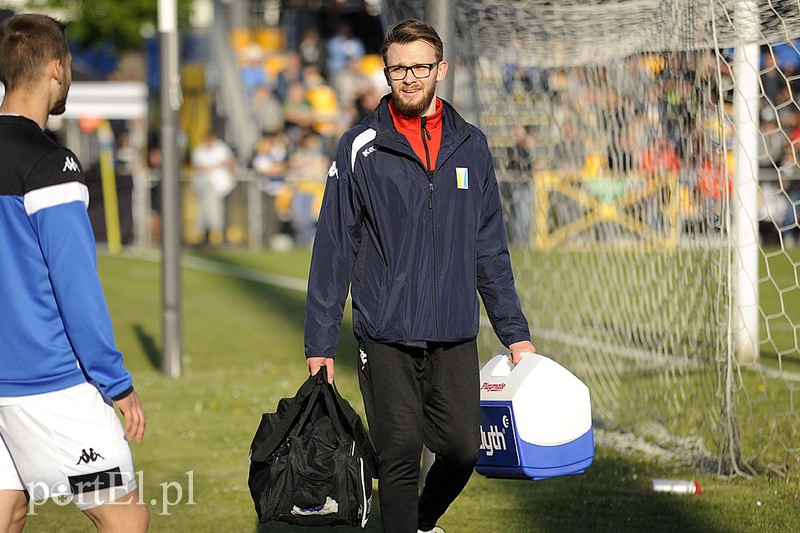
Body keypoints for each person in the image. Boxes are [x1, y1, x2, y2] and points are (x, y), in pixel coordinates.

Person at [303, 19, 536, 533]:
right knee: (400, 455)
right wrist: (319, 343)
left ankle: (419, 524)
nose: (408, 78)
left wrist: (514, 334)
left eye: (419, 67)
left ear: (440, 70)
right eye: (398, 68)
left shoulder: (471, 145)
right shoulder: (359, 145)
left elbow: (489, 248)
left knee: (462, 449)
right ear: (386, 73)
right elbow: (333, 248)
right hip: (384, 333)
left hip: (453, 332)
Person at [0, 13, 148, 532]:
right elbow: (76, 288)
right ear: (58, 70)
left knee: (8, 512)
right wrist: (117, 383)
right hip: (48, 386)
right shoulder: (50, 165)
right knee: (125, 519)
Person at [190, 130, 237, 246]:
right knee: (205, 212)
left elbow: (230, 161)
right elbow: (199, 166)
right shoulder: (200, 149)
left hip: (221, 188)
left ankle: (223, 236)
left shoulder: (221, 148)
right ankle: (206, 236)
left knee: (222, 212)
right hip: (205, 187)